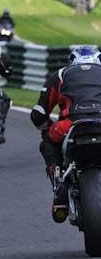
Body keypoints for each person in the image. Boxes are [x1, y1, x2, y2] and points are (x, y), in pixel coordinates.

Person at [31, 45, 101, 223]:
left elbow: (38, 115)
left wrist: (48, 126)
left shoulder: (61, 74)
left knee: (47, 138)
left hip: (70, 125)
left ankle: (59, 182)